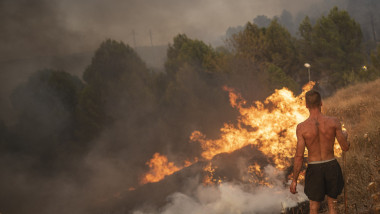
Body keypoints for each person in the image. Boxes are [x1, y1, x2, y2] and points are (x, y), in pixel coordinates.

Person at [290, 90, 350, 214]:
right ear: (321, 103)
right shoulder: (334, 122)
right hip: (332, 166)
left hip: (314, 168)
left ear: (306, 105)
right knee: (332, 205)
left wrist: (294, 180)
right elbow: (345, 147)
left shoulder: (301, 128)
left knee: (313, 207)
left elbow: (299, 157)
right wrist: (345, 137)